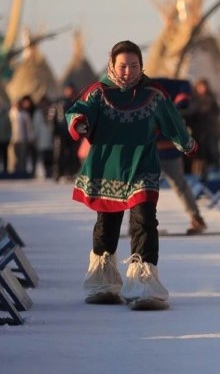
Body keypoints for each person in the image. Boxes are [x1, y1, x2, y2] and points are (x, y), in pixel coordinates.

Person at [66, 40, 197, 309]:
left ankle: (144, 283)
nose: (128, 72)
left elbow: (172, 120)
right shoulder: (98, 92)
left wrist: (186, 143)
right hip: (108, 166)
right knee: (107, 224)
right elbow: (78, 111)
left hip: (142, 165)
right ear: (112, 65)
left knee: (145, 220)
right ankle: (103, 281)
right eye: (123, 66)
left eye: (134, 66)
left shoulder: (153, 94)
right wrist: (79, 124)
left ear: (141, 66)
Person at [149, 76, 209, 235]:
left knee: (179, 185)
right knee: (143, 188)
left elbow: (184, 86)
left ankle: (196, 218)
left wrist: (178, 103)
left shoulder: (159, 84)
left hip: (168, 149)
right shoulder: (129, 91)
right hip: (148, 151)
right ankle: (140, 224)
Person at [185, 78, 220, 180]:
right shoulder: (193, 99)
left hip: (209, 131)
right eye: (201, 87)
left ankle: (208, 175)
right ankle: (196, 176)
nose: (203, 89)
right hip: (197, 132)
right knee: (197, 155)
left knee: (210, 154)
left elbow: (216, 113)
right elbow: (190, 114)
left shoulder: (211, 99)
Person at [50, 83, 80, 182]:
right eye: (67, 90)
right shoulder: (58, 103)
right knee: (59, 154)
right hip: (60, 132)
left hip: (72, 132)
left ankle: (71, 173)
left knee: (73, 154)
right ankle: (57, 174)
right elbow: (52, 118)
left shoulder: (76, 102)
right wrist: (54, 130)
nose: (69, 92)